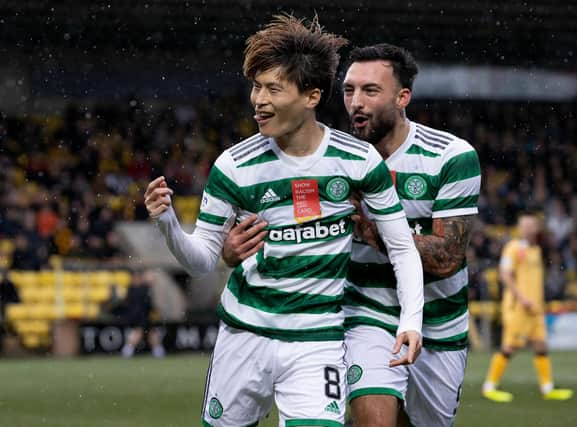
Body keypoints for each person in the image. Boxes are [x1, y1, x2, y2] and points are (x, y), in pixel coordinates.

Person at [144, 16, 424, 427]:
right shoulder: (235, 166)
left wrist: (411, 321)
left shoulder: (357, 160)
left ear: (311, 96)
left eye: (273, 88)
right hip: (245, 336)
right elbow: (202, 261)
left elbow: (401, 246)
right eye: (256, 86)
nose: (259, 99)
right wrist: (167, 222)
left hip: (317, 341)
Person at [224, 44, 481, 427]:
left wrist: (369, 227)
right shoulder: (330, 158)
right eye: (349, 90)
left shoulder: (451, 157)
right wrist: (232, 250)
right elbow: (280, 232)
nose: (356, 102)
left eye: (370, 91)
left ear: (402, 97)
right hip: (365, 312)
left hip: (439, 321)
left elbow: (446, 257)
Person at [482, 212, 573, 402]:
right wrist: (522, 298)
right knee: (509, 347)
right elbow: (505, 274)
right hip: (519, 307)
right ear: (520, 227)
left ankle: (547, 388)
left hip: (536, 308)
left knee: (541, 345)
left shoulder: (538, 249)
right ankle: (489, 386)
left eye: (531, 225)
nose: (528, 228)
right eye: (524, 225)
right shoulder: (513, 247)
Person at [120, 269, 166, 358]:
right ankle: (127, 351)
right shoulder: (138, 289)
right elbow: (146, 303)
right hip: (140, 315)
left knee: (151, 333)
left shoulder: (135, 289)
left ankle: (158, 351)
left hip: (144, 315)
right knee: (139, 332)